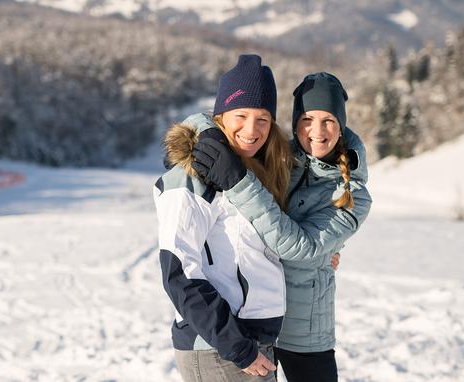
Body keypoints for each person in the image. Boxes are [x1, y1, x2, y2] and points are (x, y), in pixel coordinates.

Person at [190, 72, 372, 382]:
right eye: (307, 119)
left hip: (304, 333)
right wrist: (207, 133)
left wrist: (239, 183)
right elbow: (222, 122)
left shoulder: (352, 194)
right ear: (295, 122)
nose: (317, 131)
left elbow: (301, 248)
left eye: (328, 120)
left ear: (341, 126)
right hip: (255, 318)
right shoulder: (277, 157)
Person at [153, 54, 293, 382]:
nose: (252, 129)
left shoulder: (251, 174)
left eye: (263, 118)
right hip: (221, 348)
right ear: (220, 117)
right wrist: (237, 346)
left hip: (252, 344)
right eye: (240, 115)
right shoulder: (192, 177)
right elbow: (179, 272)